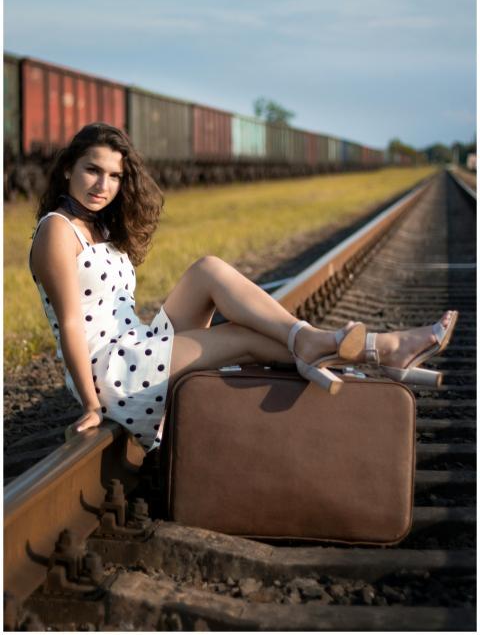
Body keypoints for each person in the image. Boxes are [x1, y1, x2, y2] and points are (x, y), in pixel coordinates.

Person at [29, 123, 459, 453]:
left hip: (135, 343)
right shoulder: (58, 231)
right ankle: (381, 350)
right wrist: (89, 404)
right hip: (113, 373)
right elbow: (70, 323)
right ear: (69, 168)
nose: (103, 185)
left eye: (115, 176)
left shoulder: (100, 226)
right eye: (92, 170)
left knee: (208, 270)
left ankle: (319, 342)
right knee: (242, 338)